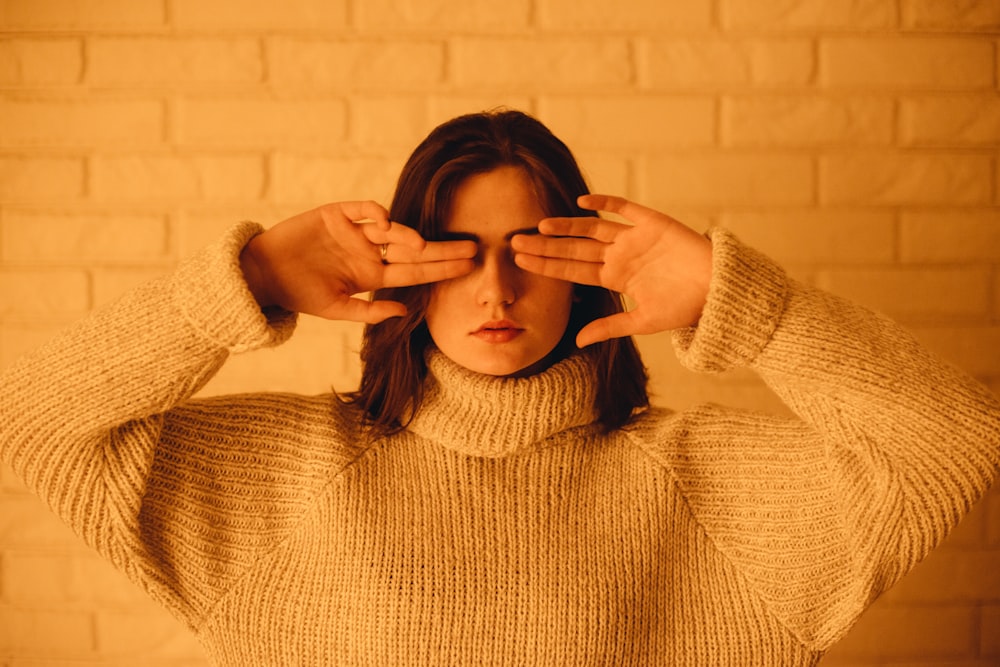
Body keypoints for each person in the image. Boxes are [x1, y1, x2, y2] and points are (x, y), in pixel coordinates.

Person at [1, 109, 998, 667]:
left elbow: (953, 440)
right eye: (458, 253)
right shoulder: (284, 477)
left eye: (530, 250)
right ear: (404, 266)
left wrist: (742, 303)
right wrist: (248, 279)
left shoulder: (713, 486)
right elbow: (34, 423)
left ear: (586, 262)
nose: (495, 287)